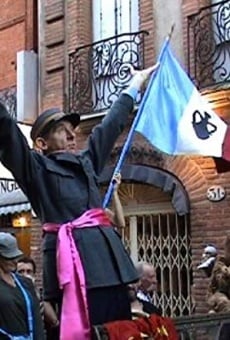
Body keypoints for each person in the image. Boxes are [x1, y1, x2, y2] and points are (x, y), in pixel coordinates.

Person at [0, 63, 158, 340]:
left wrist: (135, 86)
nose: (72, 135)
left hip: (110, 267)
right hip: (74, 271)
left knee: (120, 332)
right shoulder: (35, 168)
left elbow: (109, 127)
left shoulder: (86, 162)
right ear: (42, 143)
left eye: (72, 129)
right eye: (62, 130)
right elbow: (6, 133)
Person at [0, 232, 44, 339]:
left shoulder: (25, 283)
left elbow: (37, 320)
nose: (15, 261)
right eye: (9, 257)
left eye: (16, 256)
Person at [17, 256, 59, 335]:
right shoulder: (10, 295)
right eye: (21, 271)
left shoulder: (41, 295)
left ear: (34, 275)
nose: (25, 275)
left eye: (29, 271)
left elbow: (54, 321)